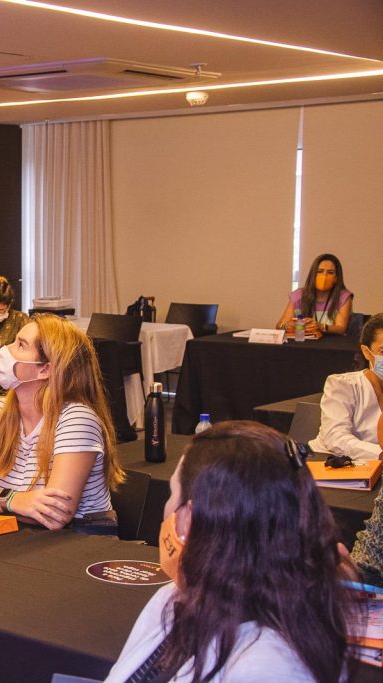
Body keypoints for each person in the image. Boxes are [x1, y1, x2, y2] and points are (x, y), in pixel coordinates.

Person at [105, 421, 352, 683]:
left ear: (189, 518)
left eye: (172, 493)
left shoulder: (268, 667)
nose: (167, 509)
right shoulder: (178, 597)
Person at [0, 314, 123, 530]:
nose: (5, 349)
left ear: (44, 369)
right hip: (23, 535)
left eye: (20, 345)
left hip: (80, 540)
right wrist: (13, 502)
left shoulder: (78, 419)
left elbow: (55, 515)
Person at [307, 313, 383, 464]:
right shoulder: (343, 384)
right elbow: (335, 438)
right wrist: (380, 454)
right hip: (328, 463)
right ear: (366, 352)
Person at [276, 253, 353, 336]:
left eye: (330, 272)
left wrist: (321, 327)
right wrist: (288, 326)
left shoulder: (343, 297)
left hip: (332, 342)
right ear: (313, 274)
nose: (324, 276)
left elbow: (341, 328)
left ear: (336, 278)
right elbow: (279, 326)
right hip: (304, 342)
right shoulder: (298, 296)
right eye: (319, 271)